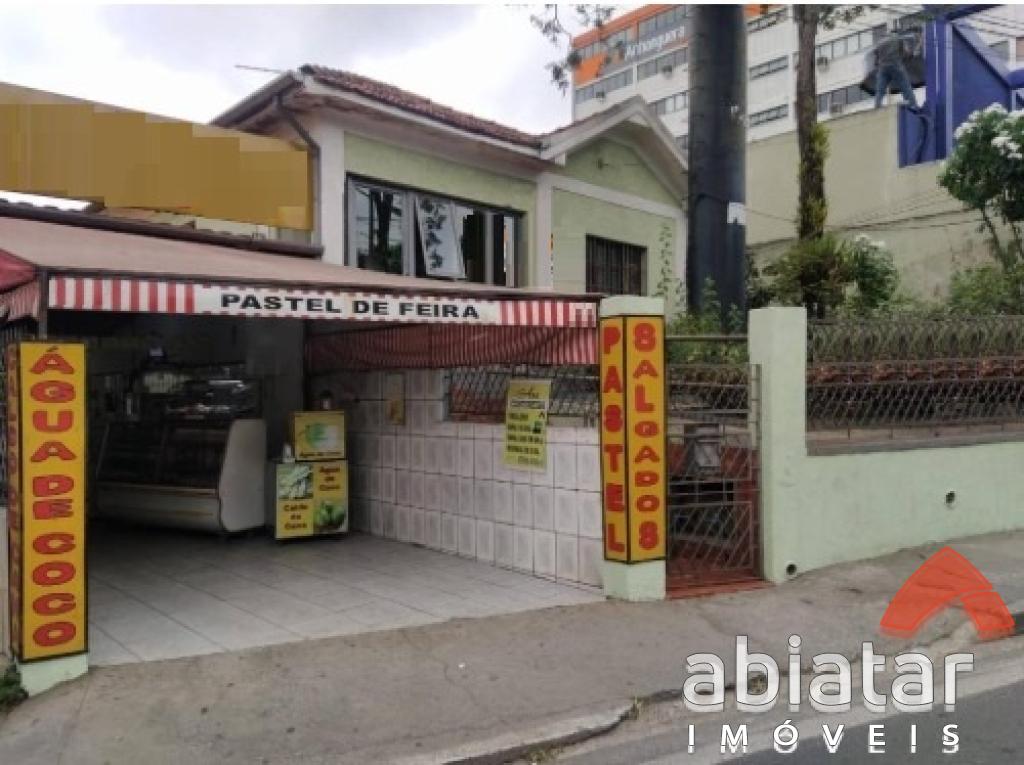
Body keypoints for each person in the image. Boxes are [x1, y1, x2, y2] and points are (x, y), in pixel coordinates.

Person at [873, 26, 920, 110]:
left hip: (882, 68)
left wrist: (879, 64)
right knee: (905, 85)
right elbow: (906, 53)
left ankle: (877, 105)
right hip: (895, 66)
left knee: (880, 89)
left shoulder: (880, 42)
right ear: (897, 32)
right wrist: (913, 53)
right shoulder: (899, 39)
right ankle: (913, 105)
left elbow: (876, 57)